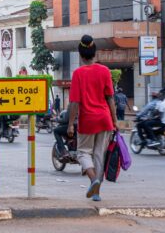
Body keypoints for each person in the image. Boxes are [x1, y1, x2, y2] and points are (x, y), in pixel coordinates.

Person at [67, 34, 118, 202]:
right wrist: (115, 120)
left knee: (82, 153)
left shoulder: (78, 73)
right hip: (105, 119)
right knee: (98, 155)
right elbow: (110, 98)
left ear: (80, 54)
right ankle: (96, 192)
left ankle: (93, 179)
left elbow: (75, 102)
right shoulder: (104, 71)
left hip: (88, 119)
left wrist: (70, 125)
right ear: (94, 53)